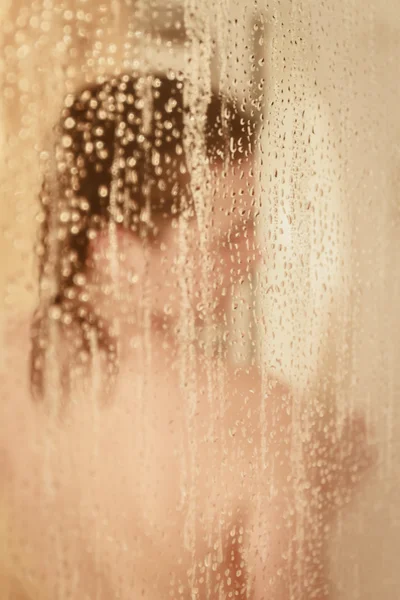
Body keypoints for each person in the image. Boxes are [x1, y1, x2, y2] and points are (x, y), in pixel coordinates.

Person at [0, 72, 374, 599]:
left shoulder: (9, 364)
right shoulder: (263, 426)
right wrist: (304, 478)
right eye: (230, 237)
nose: (258, 254)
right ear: (116, 253)